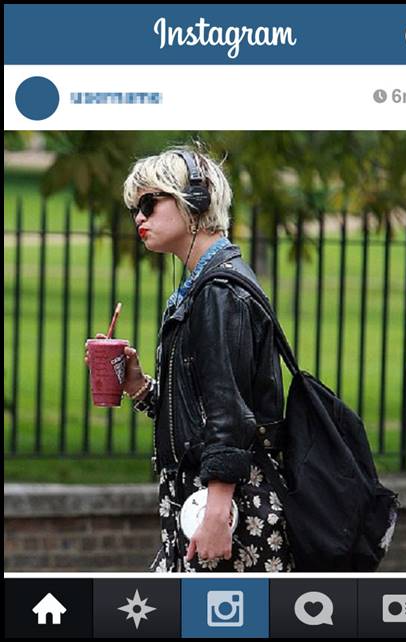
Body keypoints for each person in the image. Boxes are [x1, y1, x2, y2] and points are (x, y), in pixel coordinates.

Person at [86, 146, 295, 572]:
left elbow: (229, 411)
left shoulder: (219, 292)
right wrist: (140, 388)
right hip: (201, 502)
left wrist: (217, 511)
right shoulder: (201, 286)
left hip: (230, 514)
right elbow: (198, 408)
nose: (139, 217)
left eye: (149, 203)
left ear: (194, 201)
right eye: (135, 208)